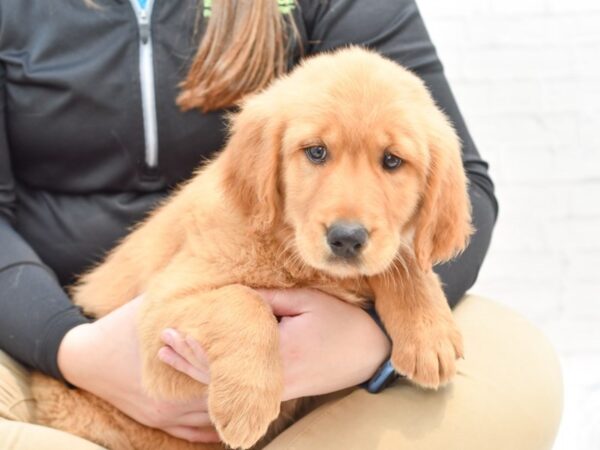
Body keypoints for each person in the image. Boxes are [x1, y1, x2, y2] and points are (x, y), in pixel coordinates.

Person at [0, 0, 562, 449]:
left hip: (328, 337)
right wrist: (70, 347)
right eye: (315, 152)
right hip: (50, 343)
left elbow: (459, 184)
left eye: (391, 162)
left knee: (523, 370)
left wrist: (378, 336)